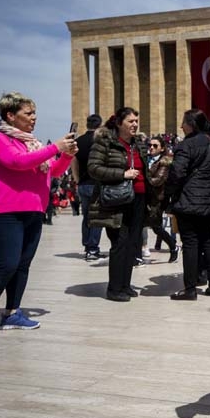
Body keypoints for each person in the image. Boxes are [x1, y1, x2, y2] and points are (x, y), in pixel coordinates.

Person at [0, 92, 78, 341]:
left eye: (34, 113)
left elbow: (53, 171)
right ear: (10, 115)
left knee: (22, 265)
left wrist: (66, 155)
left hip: (33, 210)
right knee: (6, 265)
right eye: (28, 113)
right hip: (5, 211)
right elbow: (17, 162)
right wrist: (55, 147)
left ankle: (12, 312)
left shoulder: (33, 143)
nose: (34, 118)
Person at [87, 107, 148, 302]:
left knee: (132, 243)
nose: (135, 124)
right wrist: (122, 174)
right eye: (130, 121)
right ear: (119, 123)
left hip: (138, 199)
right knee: (120, 243)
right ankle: (114, 288)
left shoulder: (138, 143)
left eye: (136, 121)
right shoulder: (105, 142)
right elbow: (93, 168)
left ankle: (125, 284)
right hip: (117, 199)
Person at [165, 109, 210, 300]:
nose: (181, 126)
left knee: (190, 243)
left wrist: (170, 194)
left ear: (191, 125)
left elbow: (177, 173)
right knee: (209, 242)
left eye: (183, 122)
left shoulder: (185, 146)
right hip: (209, 203)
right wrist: (208, 189)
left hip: (188, 201)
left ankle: (190, 289)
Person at [71, 114, 105, 261]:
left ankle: (87, 246)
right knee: (97, 217)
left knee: (86, 217)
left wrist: (78, 180)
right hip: (96, 184)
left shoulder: (78, 141)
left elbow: (74, 162)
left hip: (83, 184)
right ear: (100, 125)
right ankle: (93, 249)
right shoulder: (100, 141)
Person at [146, 136, 179, 262]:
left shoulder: (164, 161)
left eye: (155, 146)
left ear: (162, 148)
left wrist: (142, 180)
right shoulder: (148, 159)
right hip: (148, 197)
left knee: (156, 227)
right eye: (150, 145)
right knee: (149, 226)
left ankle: (173, 246)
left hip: (158, 199)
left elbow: (158, 180)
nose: (151, 148)